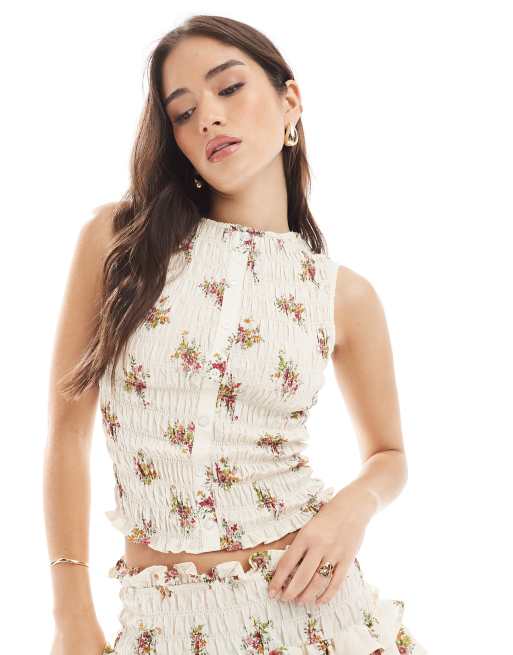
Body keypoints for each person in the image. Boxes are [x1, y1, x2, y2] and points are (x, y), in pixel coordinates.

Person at [45, 14, 428, 655]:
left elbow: (389, 455)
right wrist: (70, 615)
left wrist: (351, 509)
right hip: (163, 626)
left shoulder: (342, 295)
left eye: (228, 88)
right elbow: (66, 431)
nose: (209, 118)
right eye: (183, 112)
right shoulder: (120, 244)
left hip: (314, 615)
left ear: (290, 102)